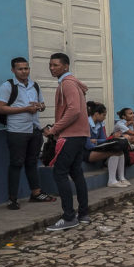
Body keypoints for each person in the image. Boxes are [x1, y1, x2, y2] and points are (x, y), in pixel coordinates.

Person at [0, 57, 56, 210]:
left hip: (34, 130)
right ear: (13, 70)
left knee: (32, 162)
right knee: (16, 164)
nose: (24, 71)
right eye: (20, 69)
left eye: (26, 68)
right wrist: (24, 109)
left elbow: (42, 105)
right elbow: (1, 108)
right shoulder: (7, 86)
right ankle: (13, 198)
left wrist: (39, 106)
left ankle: (36, 193)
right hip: (17, 131)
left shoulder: (34, 85)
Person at [44, 52, 90, 231]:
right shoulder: (71, 83)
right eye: (50, 65)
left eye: (55, 65)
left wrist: (54, 129)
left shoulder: (67, 84)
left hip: (70, 135)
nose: (52, 68)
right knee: (76, 172)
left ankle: (69, 216)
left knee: (60, 172)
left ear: (65, 66)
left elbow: (74, 111)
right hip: (79, 135)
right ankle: (83, 213)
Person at [85, 102, 128, 188]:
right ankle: (111, 180)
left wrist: (96, 141)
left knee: (120, 150)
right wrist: (101, 145)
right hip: (86, 152)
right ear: (97, 114)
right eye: (103, 115)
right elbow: (88, 145)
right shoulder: (86, 124)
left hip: (96, 148)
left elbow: (104, 139)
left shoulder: (99, 124)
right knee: (115, 151)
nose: (105, 118)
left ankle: (122, 178)